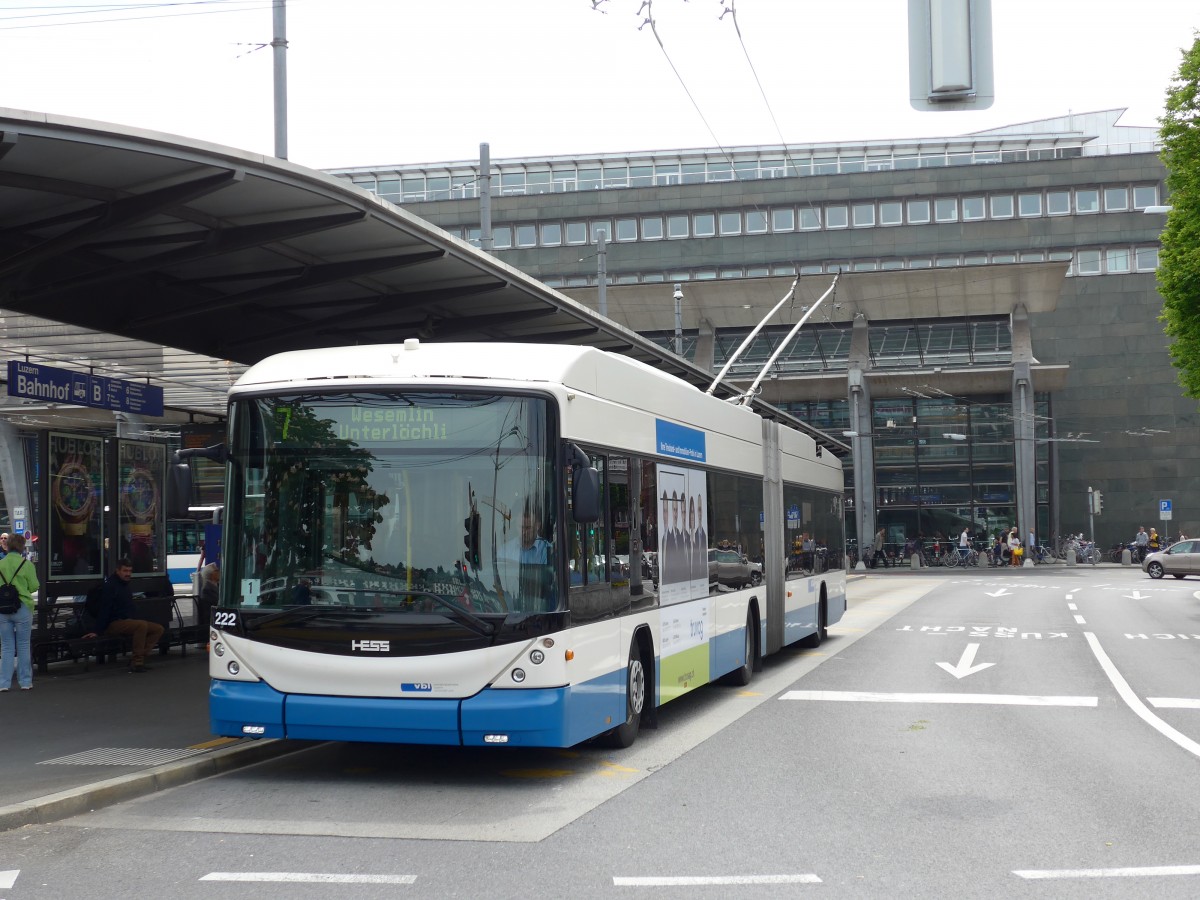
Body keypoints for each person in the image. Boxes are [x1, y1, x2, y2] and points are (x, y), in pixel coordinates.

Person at [87, 557, 165, 673]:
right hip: (113, 623)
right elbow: (105, 609)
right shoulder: (110, 586)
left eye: (129, 571)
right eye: (125, 571)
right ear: (118, 571)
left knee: (158, 629)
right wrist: (97, 630)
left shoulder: (125, 585)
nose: (128, 574)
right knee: (141, 625)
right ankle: (137, 662)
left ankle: (140, 655)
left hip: (126, 621)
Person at [0, 533, 38, 691]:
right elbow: (34, 586)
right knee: (23, 645)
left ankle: (4, 683)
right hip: (22, 607)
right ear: (22, 547)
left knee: (7, 646)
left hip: (3, 608)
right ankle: (25, 681)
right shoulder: (27, 565)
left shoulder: (0, 564)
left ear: (7, 546)